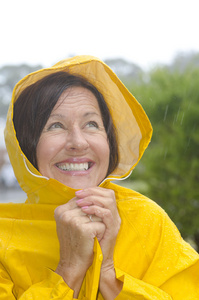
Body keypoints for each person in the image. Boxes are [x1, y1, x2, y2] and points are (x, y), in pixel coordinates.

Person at [0, 55, 198, 300]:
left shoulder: (148, 220)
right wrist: (69, 270)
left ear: (109, 140)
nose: (78, 142)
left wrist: (108, 276)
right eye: (55, 126)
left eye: (91, 124)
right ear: (25, 147)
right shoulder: (3, 238)